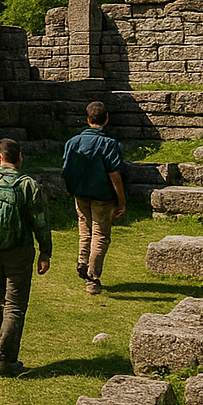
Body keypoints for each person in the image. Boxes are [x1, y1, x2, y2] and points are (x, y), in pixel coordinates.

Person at [0, 138, 50, 377]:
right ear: (20, 157)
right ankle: (8, 360)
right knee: (14, 306)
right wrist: (45, 252)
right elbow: (41, 221)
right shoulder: (28, 185)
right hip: (19, 252)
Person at [62, 100, 127, 296]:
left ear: (87, 119)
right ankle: (93, 277)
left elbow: (66, 170)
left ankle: (83, 260)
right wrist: (121, 200)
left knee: (85, 230)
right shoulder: (110, 145)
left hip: (80, 194)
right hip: (103, 196)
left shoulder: (72, 142)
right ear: (106, 119)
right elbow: (115, 175)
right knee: (100, 235)